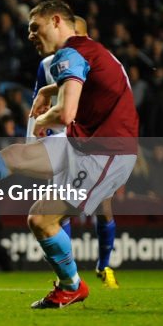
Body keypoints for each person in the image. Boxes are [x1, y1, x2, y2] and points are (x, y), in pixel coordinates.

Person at [0, 0, 139, 308]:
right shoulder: (93, 53)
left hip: (108, 153)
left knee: (41, 219)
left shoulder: (70, 54)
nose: (31, 36)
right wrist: (48, 93)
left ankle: (72, 284)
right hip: (83, 143)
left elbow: (66, 114)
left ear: (58, 21)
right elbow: (88, 92)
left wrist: (43, 119)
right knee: (15, 156)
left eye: (35, 28)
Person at [27, 15, 119, 289]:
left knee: (104, 205)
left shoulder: (97, 61)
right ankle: (68, 274)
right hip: (61, 137)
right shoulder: (47, 65)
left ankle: (104, 265)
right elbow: (37, 104)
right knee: (56, 205)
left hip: (93, 141)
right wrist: (34, 140)